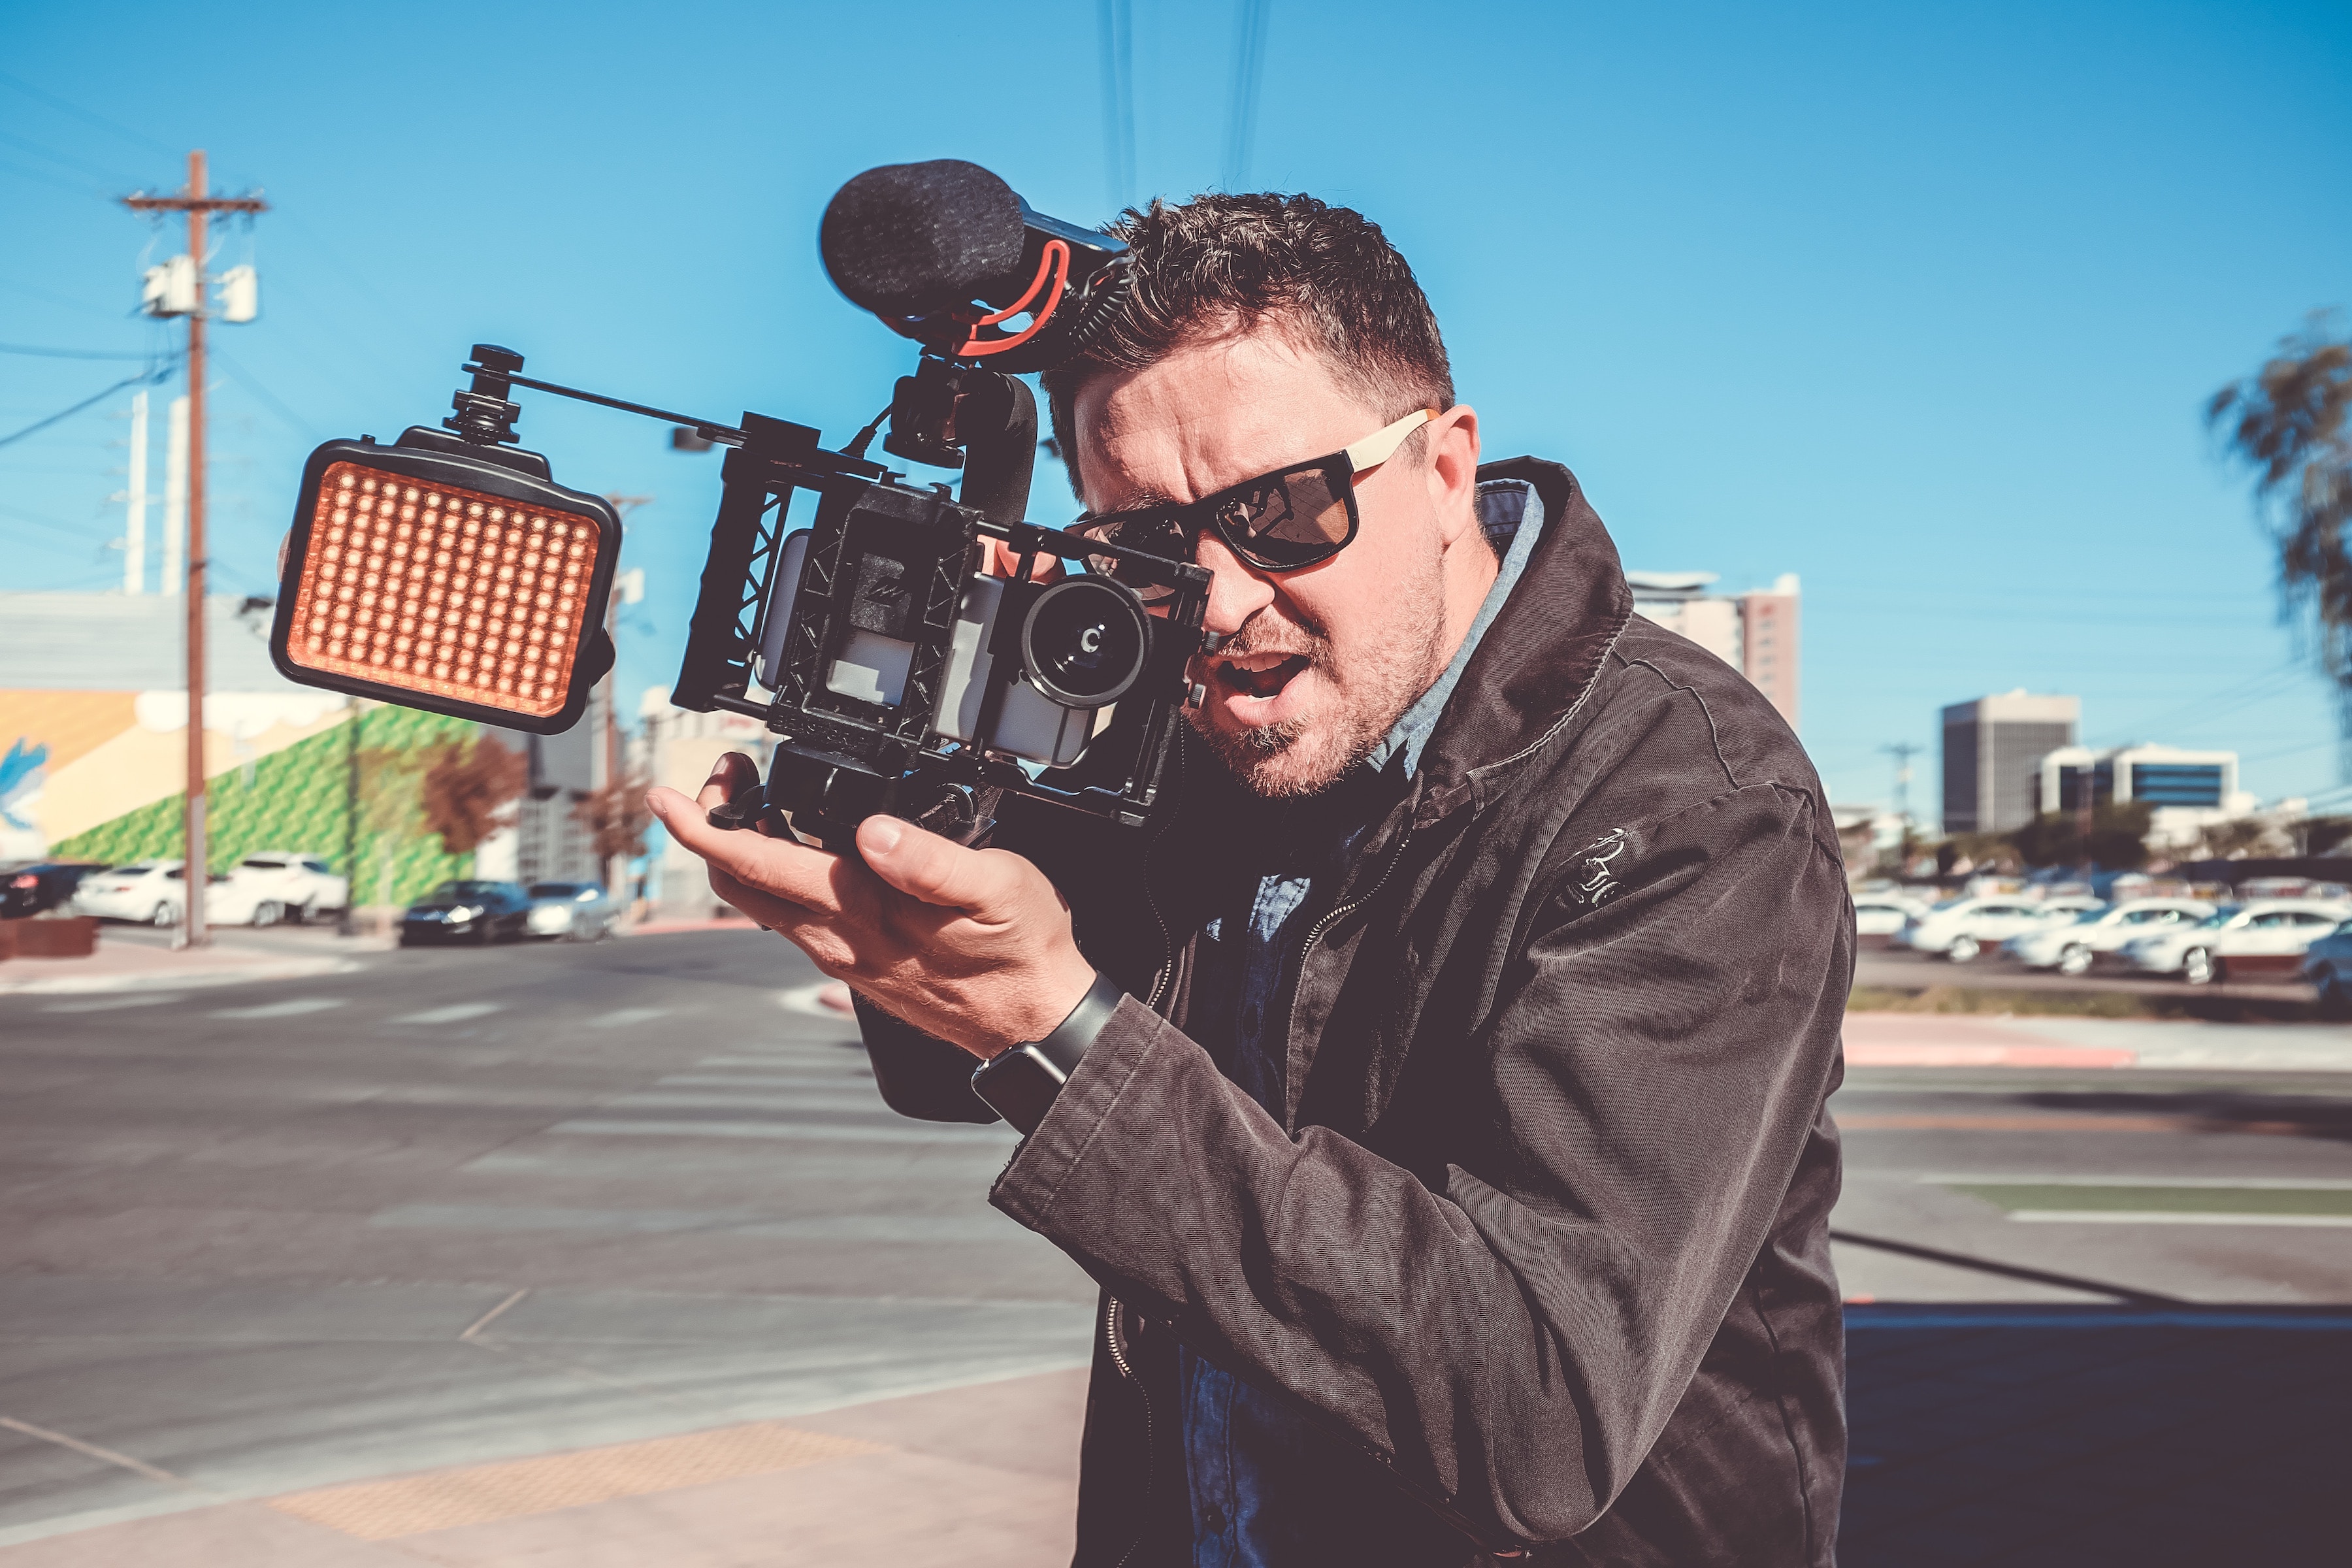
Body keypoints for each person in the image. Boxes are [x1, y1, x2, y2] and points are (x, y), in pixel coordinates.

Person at [651, 191, 1852, 1567]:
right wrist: (895, 868)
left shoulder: (1690, 802)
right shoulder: (1185, 732)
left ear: (1446, 468)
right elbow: (948, 1070)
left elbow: (1538, 1413)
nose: (1219, 603)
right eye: (1149, 548)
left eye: (1284, 511)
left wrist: (1053, 1021)